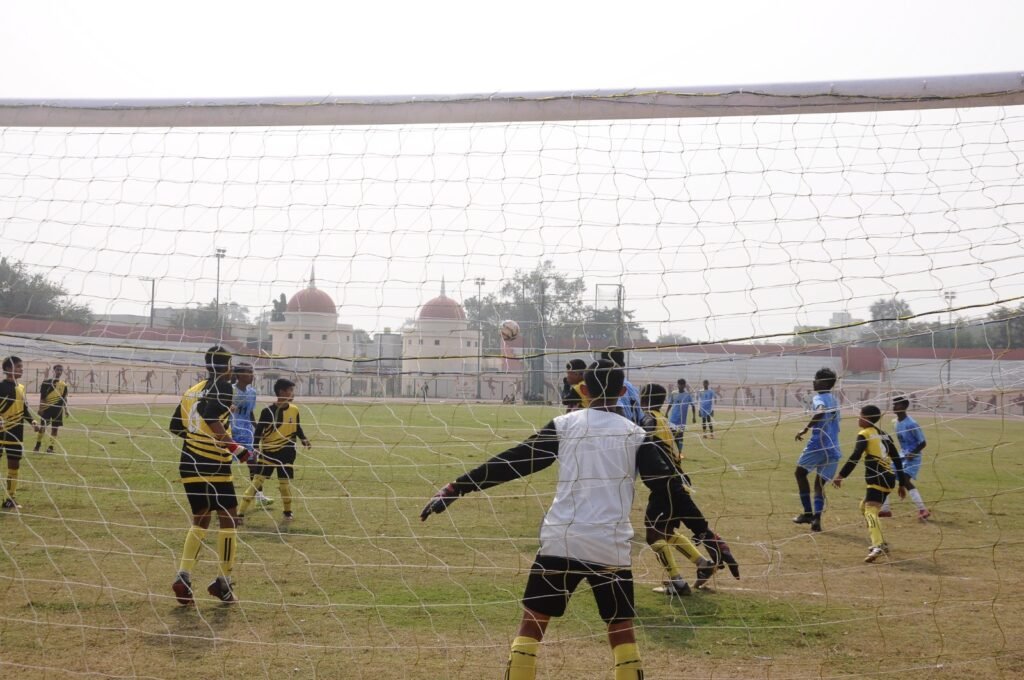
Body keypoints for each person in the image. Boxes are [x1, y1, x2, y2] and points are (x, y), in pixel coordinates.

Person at [421, 359, 691, 680]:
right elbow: (670, 488)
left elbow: (515, 461)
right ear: (622, 392)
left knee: (532, 626)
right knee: (621, 630)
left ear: (584, 390)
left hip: (561, 542)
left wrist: (457, 487)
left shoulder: (565, 425)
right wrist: (706, 533)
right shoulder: (635, 434)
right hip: (609, 548)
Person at [169, 346, 254, 605]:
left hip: (189, 462)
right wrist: (235, 448)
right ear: (227, 366)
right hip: (214, 464)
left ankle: (183, 575)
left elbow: (175, 426)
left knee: (200, 519)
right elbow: (209, 415)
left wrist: (197, 441)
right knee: (229, 519)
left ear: (207, 365)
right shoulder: (224, 387)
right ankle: (223, 582)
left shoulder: (192, 390)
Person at [638, 383, 738, 596]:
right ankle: (703, 564)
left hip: (665, 485)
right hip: (672, 483)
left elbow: (644, 436)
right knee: (665, 531)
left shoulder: (648, 418)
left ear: (643, 398)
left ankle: (677, 582)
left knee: (653, 534)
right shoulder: (661, 418)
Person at [832, 405, 908, 563]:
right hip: (889, 478)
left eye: (860, 415)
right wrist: (901, 483)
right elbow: (897, 459)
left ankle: (878, 545)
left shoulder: (864, 434)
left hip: (877, 478)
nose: (858, 418)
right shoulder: (885, 435)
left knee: (870, 511)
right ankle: (880, 542)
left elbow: (855, 455)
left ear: (866, 418)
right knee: (864, 506)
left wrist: (841, 475)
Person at [237, 378, 311, 529]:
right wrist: (255, 447)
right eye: (290, 390)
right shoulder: (267, 412)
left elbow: (297, 427)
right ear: (281, 392)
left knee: (284, 485)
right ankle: (239, 514)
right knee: (256, 482)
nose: (292, 393)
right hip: (268, 453)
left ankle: (288, 512)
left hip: (287, 453)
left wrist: (303, 439)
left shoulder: (294, 409)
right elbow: (258, 431)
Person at [793, 368, 841, 532]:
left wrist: (805, 429)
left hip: (818, 445)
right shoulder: (834, 399)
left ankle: (808, 513)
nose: (814, 381)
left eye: (817, 379)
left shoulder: (818, 397)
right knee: (819, 484)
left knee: (800, 473)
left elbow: (820, 411)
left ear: (825, 383)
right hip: (833, 448)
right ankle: (817, 520)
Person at [879, 395, 931, 521]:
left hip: (913, 458)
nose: (894, 406)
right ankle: (885, 510)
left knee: (906, 480)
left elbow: (923, 442)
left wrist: (913, 453)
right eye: (894, 404)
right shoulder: (895, 422)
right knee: (886, 477)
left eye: (897, 404)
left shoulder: (912, 424)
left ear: (904, 406)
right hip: (901, 456)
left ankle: (922, 509)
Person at [1, 356, 41, 510]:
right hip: (1, 432)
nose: (21, 369)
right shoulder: (1, 387)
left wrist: (32, 422)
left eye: (21, 366)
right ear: (8, 369)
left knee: (14, 464)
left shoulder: (21, 388)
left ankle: (10, 499)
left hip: (16, 432)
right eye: (18, 366)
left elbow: (23, 409)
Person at [231, 363, 273, 508]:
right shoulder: (230, 390)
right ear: (239, 375)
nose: (252, 375)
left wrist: (257, 429)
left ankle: (259, 497)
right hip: (230, 432)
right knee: (223, 464)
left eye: (252, 372)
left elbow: (250, 412)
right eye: (248, 372)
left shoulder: (252, 392)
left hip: (247, 432)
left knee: (253, 463)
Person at [600, 349, 643, 425]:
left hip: (623, 428)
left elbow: (618, 410)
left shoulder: (610, 386)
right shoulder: (631, 386)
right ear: (623, 365)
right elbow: (640, 415)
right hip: (635, 427)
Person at [34, 364, 69, 454]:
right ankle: (37, 445)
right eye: (57, 370)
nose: (59, 372)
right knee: (43, 427)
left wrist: (66, 410)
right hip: (46, 409)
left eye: (61, 370)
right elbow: (42, 397)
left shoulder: (63, 385)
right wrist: (40, 409)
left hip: (58, 410)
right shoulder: (46, 383)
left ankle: (50, 447)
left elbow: (64, 398)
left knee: (55, 429)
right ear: (54, 371)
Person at [667, 378, 695, 454]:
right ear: (677, 385)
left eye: (682, 384)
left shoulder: (687, 395)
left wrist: (694, 416)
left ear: (684, 385)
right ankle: (672, 451)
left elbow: (693, 405)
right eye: (679, 384)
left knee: (680, 435)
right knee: (672, 435)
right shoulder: (674, 393)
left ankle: (680, 452)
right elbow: (670, 403)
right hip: (673, 418)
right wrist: (666, 413)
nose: (680, 386)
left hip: (682, 420)